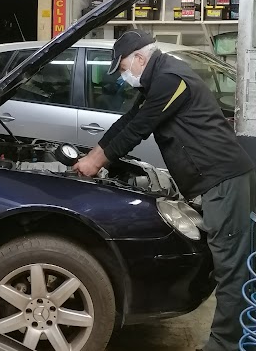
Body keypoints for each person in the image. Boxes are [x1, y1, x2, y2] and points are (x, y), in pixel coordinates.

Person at [73, 30, 256, 351]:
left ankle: (226, 345)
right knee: (223, 261)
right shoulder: (159, 77)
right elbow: (128, 120)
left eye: (124, 68)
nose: (123, 76)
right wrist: (91, 155)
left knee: (230, 267)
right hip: (212, 179)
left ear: (141, 58)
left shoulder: (173, 79)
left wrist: (97, 160)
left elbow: (141, 126)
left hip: (223, 180)